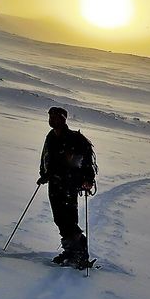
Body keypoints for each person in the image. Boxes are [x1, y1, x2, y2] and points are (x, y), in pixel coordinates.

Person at [36, 106, 97, 267]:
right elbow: (46, 158)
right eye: (50, 116)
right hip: (55, 183)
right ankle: (70, 252)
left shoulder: (75, 138)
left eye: (55, 117)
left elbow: (86, 161)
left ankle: (80, 254)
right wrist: (44, 175)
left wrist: (88, 179)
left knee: (69, 219)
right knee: (60, 219)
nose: (51, 119)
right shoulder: (51, 137)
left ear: (63, 119)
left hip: (69, 184)